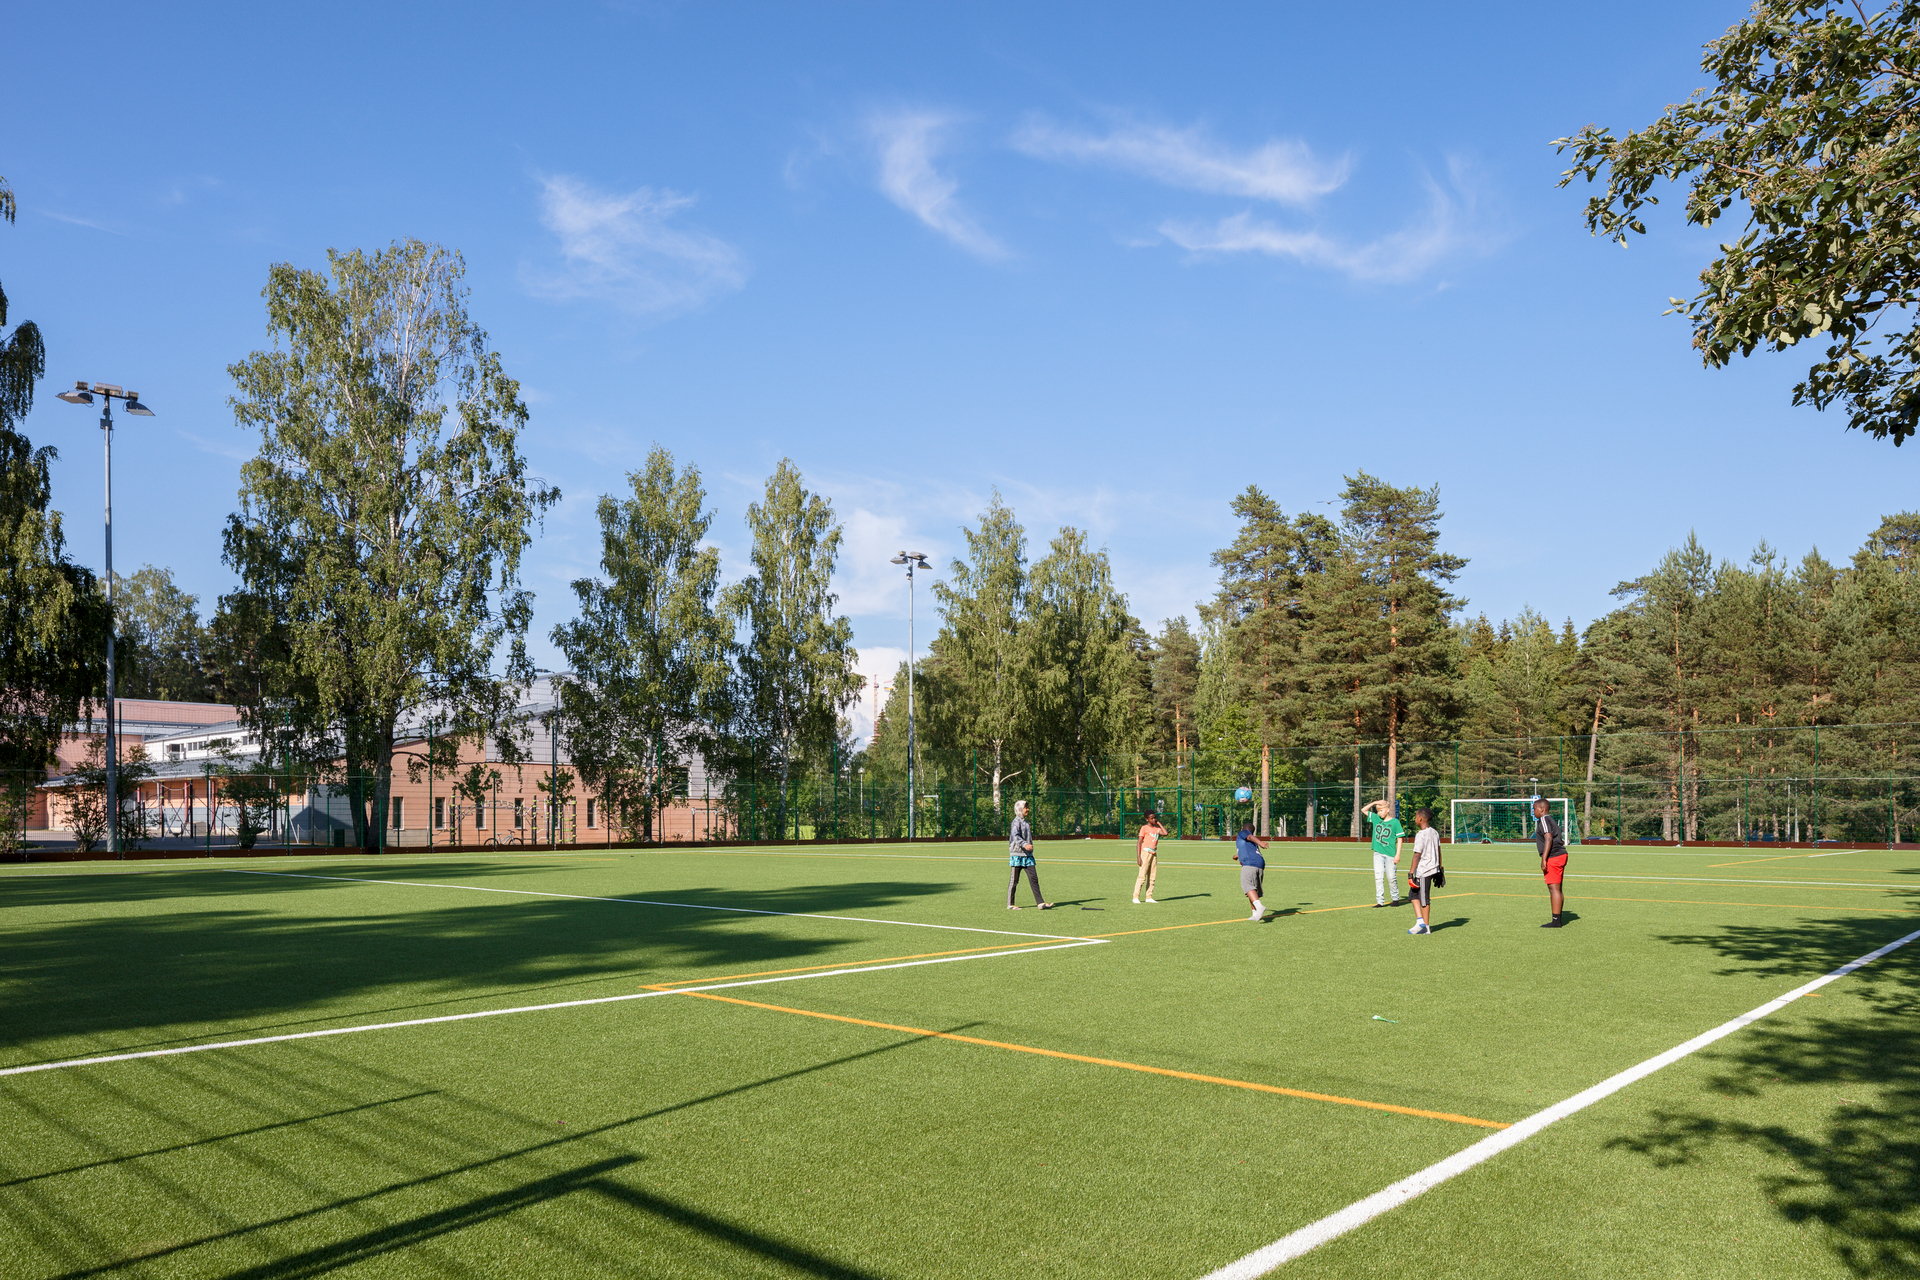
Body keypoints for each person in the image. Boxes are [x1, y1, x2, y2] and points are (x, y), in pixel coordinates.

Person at [1007, 799, 1051, 910]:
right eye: (1026, 807)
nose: (1028, 809)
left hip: (1027, 856)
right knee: (1014, 880)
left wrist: (1029, 848)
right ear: (1020, 809)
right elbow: (1015, 836)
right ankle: (1010, 904)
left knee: (1033, 878)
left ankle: (1040, 903)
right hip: (1017, 855)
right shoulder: (1015, 822)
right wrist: (1025, 844)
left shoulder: (1026, 822)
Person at [1362, 798, 1405, 908]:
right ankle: (1380, 901)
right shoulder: (1376, 819)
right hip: (1378, 854)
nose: (1379, 813)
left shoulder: (1395, 822)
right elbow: (1363, 810)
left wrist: (1398, 854)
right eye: (1378, 811)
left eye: (1381, 810)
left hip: (1390, 855)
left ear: (1388, 810)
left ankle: (1395, 899)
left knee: (1391, 877)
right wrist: (1375, 802)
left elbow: (1400, 839)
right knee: (1378, 877)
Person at [1406, 807, 1442, 936]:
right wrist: (1440, 869)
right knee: (1413, 895)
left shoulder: (1421, 835)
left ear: (1420, 819)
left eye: (1416, 817)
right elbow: (1439, 851)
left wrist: (1411, 873)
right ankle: (1420, 921)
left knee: (1423, 899)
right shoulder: (1435, 832)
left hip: (1424, 871)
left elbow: (1417, 855)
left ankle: (1426, 927)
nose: (1415, 819)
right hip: (1433, 868)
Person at [1534, 796, 1568, 928]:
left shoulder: (1543, 819)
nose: (1534, 811)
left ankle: (1556, 921)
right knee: (1557, 889)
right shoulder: (1550, 820)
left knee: (1554, 889)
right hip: (1560, 855)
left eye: (1535, 808)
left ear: (1542, 809)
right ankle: (1557, 918)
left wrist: (1544, 859)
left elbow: (1548, 838)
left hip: (1554, 857)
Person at [1233, 819, 1267, 921]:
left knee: (1247, 886)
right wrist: (1237, 855)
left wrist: (1260, 843)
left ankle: (1259, 907)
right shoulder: (1250, 842)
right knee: (1253, 890)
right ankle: (1255, 914)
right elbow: (1249, 850)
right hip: (1259, 864)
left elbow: (1249, 836)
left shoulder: (1243, 833)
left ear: (1243, 829)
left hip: (1249, 864)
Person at [1133, 811, 1167, 903]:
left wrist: (1159, 823)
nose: (1154, 819)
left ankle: (1149, 896)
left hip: (1153, 854)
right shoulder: (1144, 828)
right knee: (1142, 876)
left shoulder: (1156, 829)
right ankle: (1136, 897)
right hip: (1145, 853)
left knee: (1152, 876)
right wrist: (1138, 857)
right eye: (1151, 818)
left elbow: (1165, 833)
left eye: (1155, 818)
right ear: (1147, 819)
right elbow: (1139, 843)